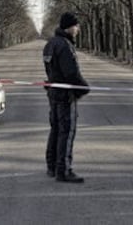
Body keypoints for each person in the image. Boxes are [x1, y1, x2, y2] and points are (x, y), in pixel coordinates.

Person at [43, 12, 90, 183]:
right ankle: (64, 170)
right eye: (76, 26)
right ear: (70, 27)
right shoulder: (64, 45)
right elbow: (71, 73)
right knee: (67, 131)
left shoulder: (50, 44)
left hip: (53, 93)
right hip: (65, 95)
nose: (78, 29)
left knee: (55, 130)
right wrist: (83, 88)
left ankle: (52, 166)